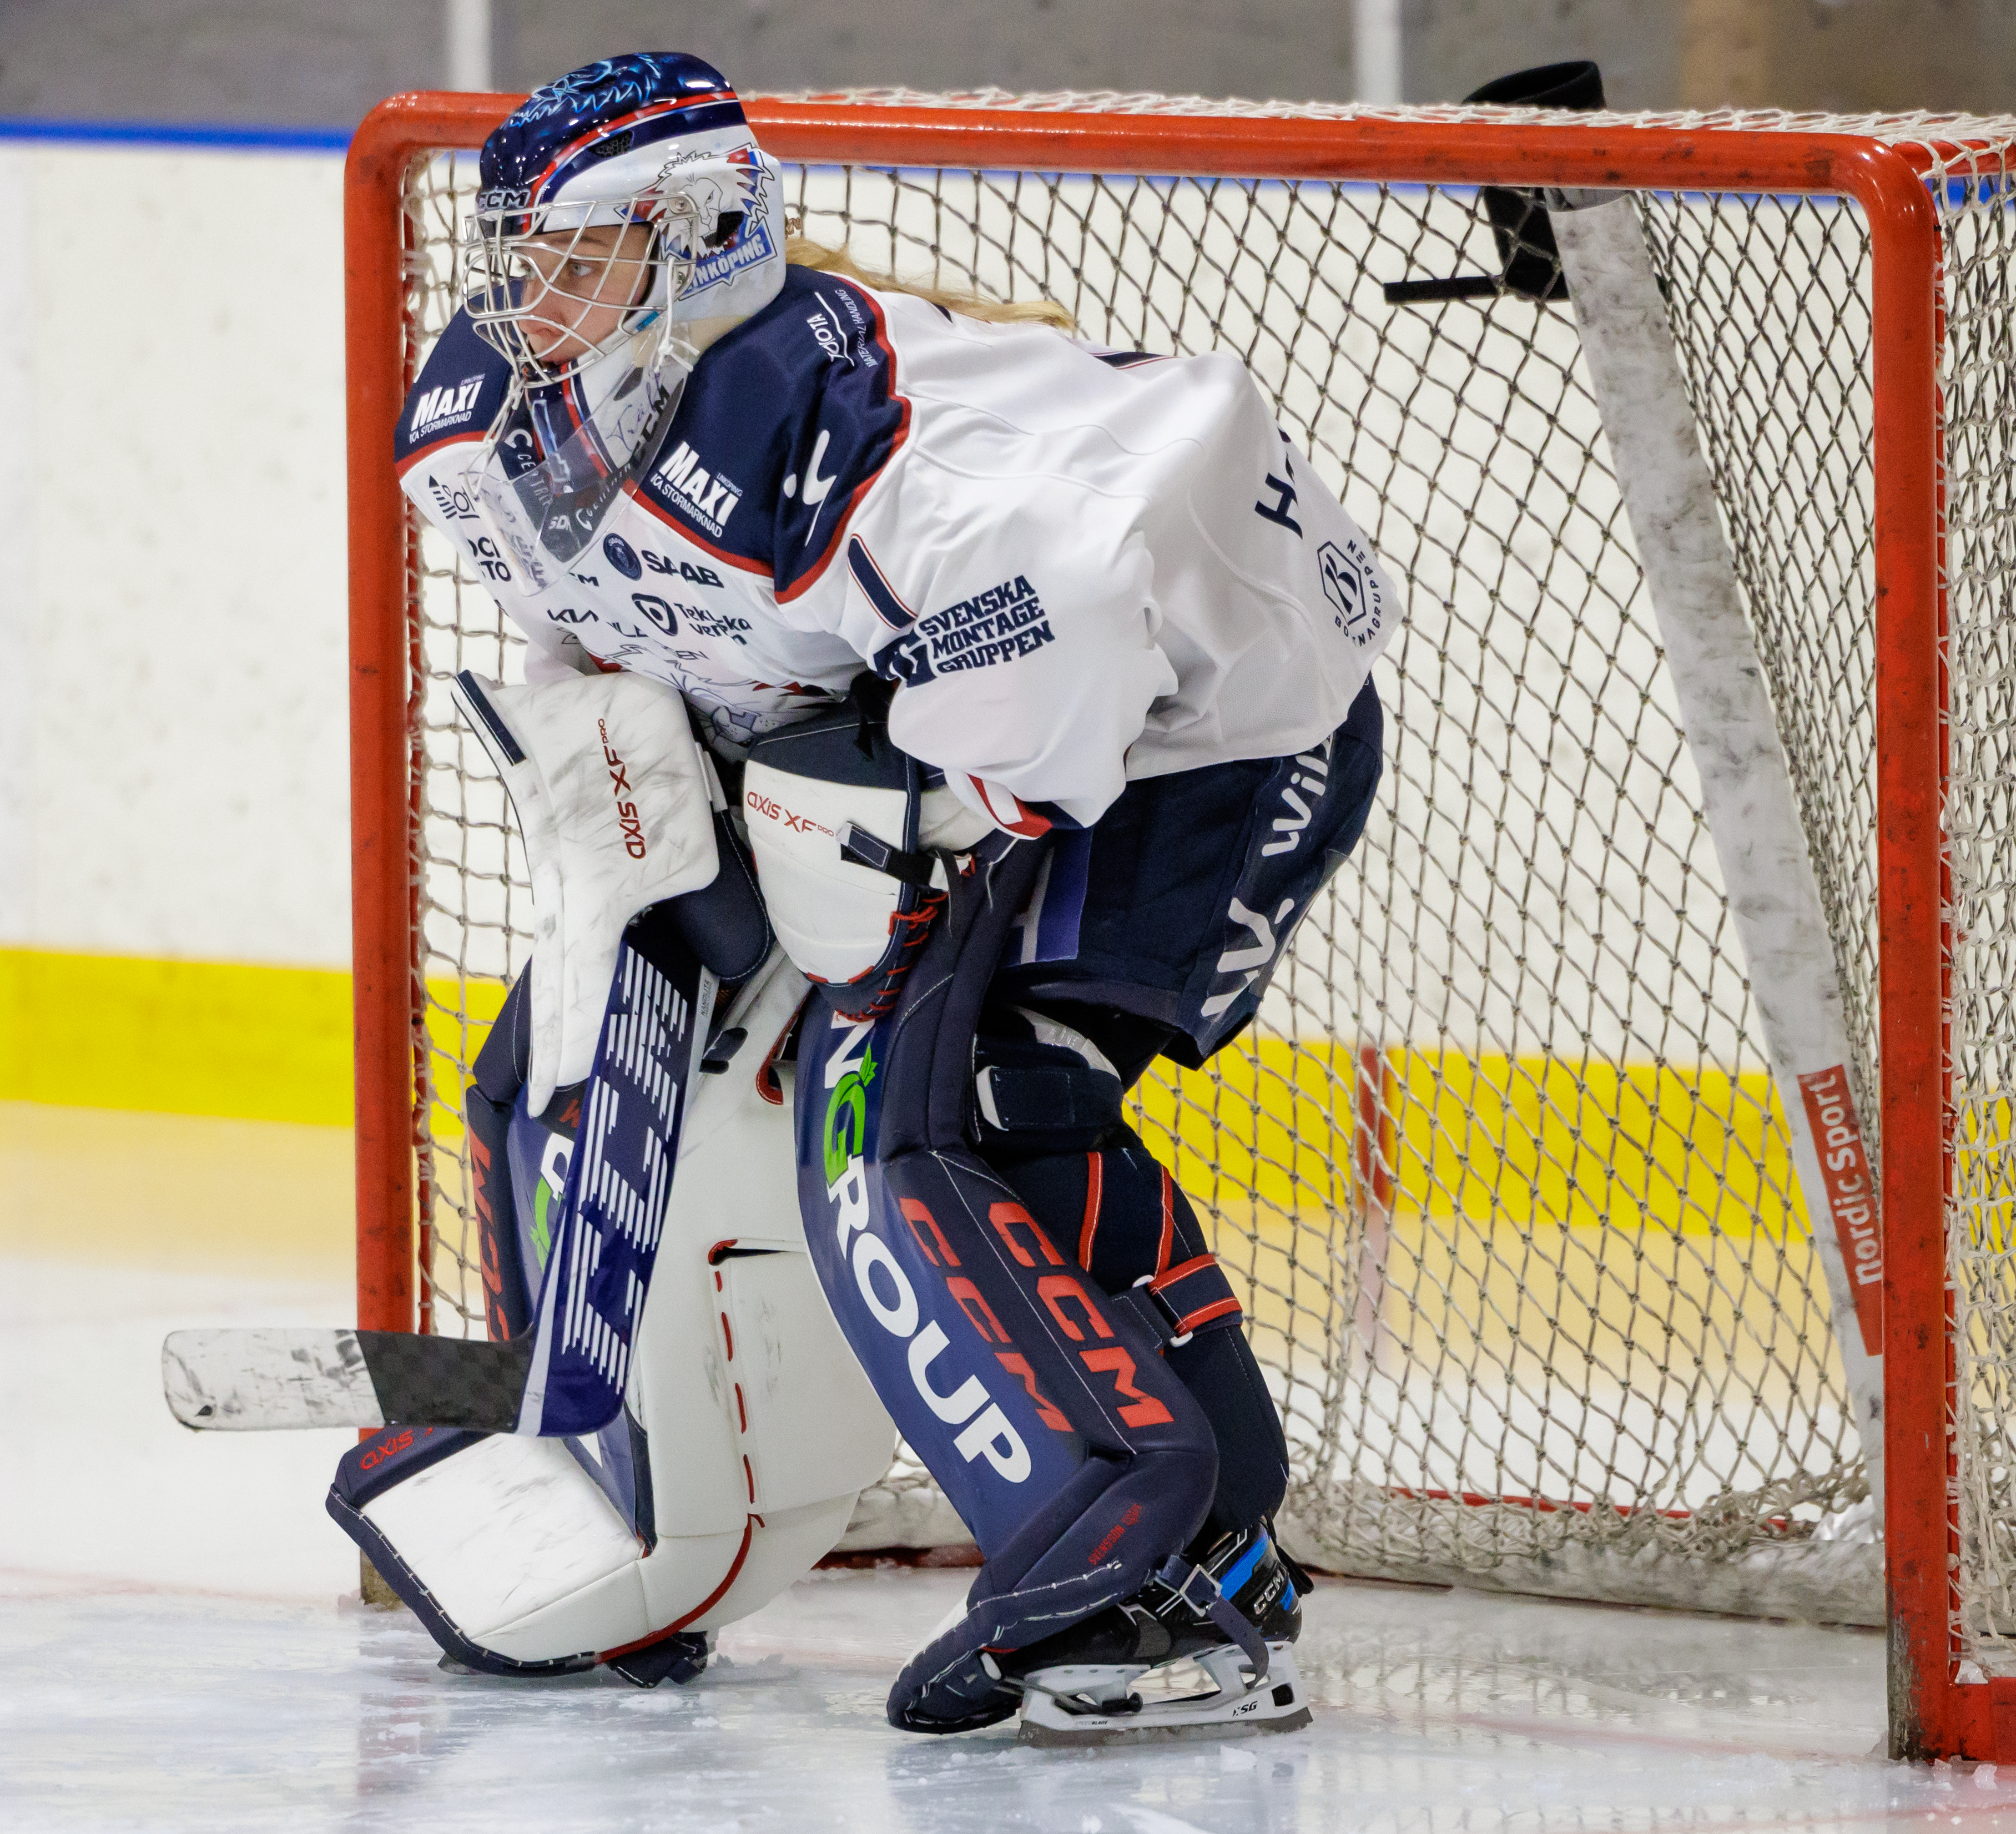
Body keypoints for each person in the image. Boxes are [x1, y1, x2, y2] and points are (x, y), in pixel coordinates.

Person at [381, 51, 1392, 1744]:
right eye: (521, 256)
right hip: (944, 714)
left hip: (1209, 731)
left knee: (989, 1091)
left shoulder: (911, 471)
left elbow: (1047, 702)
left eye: (574, 256)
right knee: (570, 1047)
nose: (527, 299)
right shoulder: (514, 413)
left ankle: (1185, 1586)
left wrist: (867, 829)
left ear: (697, 238)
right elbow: (610, 636)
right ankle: (601, 1452)